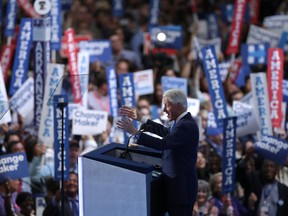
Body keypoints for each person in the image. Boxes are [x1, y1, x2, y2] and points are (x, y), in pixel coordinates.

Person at [117, 88, 199, 216]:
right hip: (175, 188)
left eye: (167, 105)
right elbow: (165, 132)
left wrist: (135, 132)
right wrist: (141, 118)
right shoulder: (181, 122)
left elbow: (163, 144)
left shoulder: (187, 125)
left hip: (182, 191)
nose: (165, 110)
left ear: (177, 105)